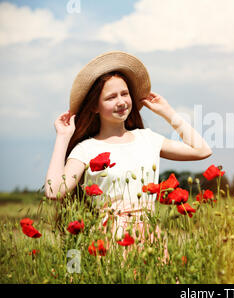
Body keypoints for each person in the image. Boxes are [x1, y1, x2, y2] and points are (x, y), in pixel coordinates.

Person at [44, 50, 212, 246]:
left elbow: (202, 150)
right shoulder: (86, 149)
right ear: (94, 107)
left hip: (150, 236)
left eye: (125, 94)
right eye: (111, 97)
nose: (121, 102)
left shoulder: (147, 138)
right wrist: (63, 138)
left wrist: (167, 112)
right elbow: (54, 191)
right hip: (109, 238)